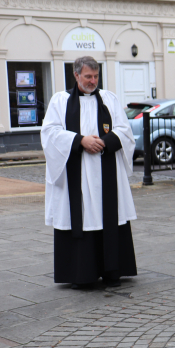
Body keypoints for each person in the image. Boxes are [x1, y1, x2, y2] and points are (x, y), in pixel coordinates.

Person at [41, 56, 138, 289]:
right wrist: (80, 140)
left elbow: (125, 131)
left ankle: (112, 272)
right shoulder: (60, 101)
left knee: (109, 215)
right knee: (81, 215)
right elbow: (50, 133)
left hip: (106, 171)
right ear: (76, 76)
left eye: (96, 76)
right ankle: (81, 274)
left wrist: (104, 142)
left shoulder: (109, 99)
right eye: (88, 77)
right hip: (78, 172)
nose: (93, 81)